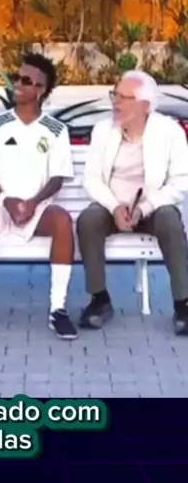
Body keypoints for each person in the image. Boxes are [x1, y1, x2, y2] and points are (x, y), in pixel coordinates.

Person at [0, 53, 77, 339]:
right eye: (17, 78)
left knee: (62, 221)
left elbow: (57, 178)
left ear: (40, 90)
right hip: (0, 204)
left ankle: (58, 309)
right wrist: (7, 201)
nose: (17, 84)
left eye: (25, 81)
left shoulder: (56, 130)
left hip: (37, 206)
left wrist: (32, 203)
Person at [77, 70, 188, 335]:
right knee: (88, 220)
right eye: (115, 95)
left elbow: (181, 181)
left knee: (170, 220)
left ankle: (183, 303)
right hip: (112, 207)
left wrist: (144, 208)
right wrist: (114, 207)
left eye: (124, 98)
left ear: (145, 106)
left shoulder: (169, 132)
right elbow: (91, 178)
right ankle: (99, 299)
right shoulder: (103, 130)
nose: (116, 103)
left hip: (152, 207)